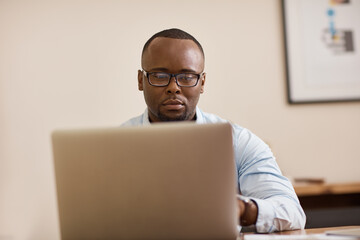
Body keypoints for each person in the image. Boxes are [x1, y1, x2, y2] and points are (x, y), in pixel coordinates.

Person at [122, 28, 306, 232]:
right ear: (141, 80)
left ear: (202, 82)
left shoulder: (237, 141)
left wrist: (244, 209)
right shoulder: (113, 147)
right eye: (159, 75)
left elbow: (292, 212)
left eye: (187, 76)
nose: (173, 87)